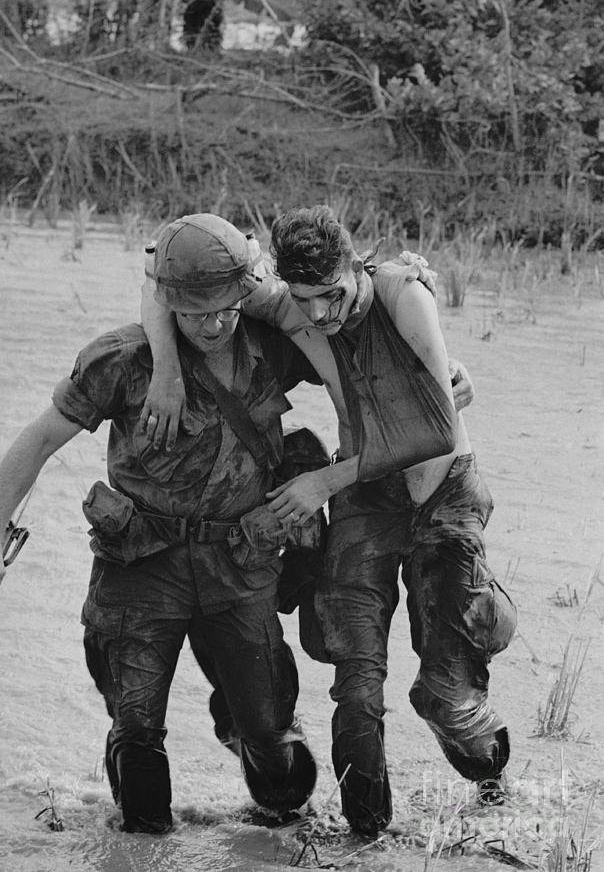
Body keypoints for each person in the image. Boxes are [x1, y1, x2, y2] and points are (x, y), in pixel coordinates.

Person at [139, 207, 513, 840]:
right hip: (369, 499)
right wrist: (166, 373)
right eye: (304, 299)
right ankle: (366, 838)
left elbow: (436, 429)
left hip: (442, 494)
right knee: (356, 680)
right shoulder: (289, 304)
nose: (318, 315)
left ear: (355, 266)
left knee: (448, 696)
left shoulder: (402, 290)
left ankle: (495, 786)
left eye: (331, 296)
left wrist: (322, 481)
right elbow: (159, 274)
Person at [0, 213, 326, 834]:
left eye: (227, 307)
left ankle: (275, 810)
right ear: (167, 301)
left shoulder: (273, 347)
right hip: (141, 566)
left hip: (240, 563)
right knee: (138, 737)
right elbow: (38, 440)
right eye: (197, 312)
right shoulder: (121, 362)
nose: (216, 323)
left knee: (276, 752)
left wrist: (445, 381)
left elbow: (355, 358)